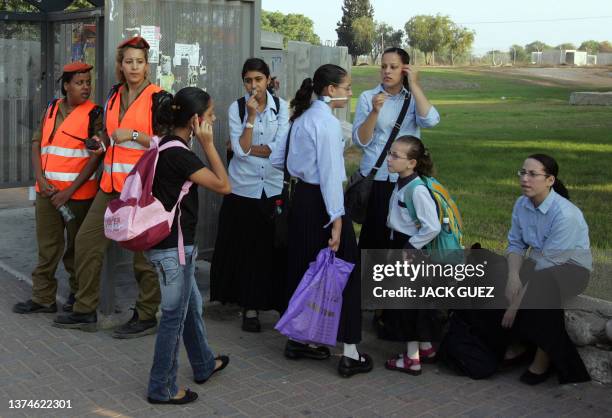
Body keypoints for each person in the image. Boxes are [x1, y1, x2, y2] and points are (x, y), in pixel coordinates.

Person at [54, 37, 163, 338]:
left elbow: (167, 145)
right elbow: (109, 133)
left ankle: (146, 314)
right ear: (120, 65)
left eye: (139, 62)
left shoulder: (159, 98)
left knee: (143, 257)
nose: (134, 67)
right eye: (128, 62)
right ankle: (85, 310)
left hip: (142, 190)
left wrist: (137, 135)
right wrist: (100, 141)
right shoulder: (115, 95)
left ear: (146, 64)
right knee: (87, 243)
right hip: (110, 186)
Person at [270, 64, 372, 378]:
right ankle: (351, 352)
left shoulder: (299, 118)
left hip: (300, 201)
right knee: (346, 271)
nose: (350, 92)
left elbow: (277, 159)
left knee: (302, 268)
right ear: (330, 90)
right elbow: (330, 175)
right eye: (347, 87)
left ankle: (298, 340)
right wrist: (337, 219)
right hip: (323, 205)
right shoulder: (325, 124)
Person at [146, 87, 231, 405]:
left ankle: (204, 363)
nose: (213, 120)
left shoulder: (165, 144)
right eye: (210, 116)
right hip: (173, 251)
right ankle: (161, 387)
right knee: (173, 317)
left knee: (191, 307)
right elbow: (224, 185)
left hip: (172, 248)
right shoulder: (180, 155)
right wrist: (209, 145)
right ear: (196, 120)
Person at [13, 62, 102, 314]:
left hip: (77, 197)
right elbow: (36, 143)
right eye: (79, 82)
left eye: (88, 82)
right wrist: (40, 179)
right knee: (47, 247)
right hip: (47, 193)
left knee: (77, 249)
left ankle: (77, 295)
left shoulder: (95, 114)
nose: (85, 87)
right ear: (66, 85)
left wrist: (69, 191)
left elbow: (96, 157)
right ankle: (43, 299)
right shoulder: (51, 108)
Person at [210, 58, 289, 332]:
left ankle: (276, 302)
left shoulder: (283, 107)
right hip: (243, 189)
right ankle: (250, 306)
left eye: (258, 79)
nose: (253, 86)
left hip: (273, 187)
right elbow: (240, 150)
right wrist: (251, 119)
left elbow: (277, 151)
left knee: (273, 247)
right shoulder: (238, 108)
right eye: (248, 80)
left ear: (268, 80)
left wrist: (247, 148)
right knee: (247, 250)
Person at [502, 154, 592, 385]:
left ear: (550, 180)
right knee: (494, 272)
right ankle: (518, 342)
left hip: (571, 269)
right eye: (523, 172)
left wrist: (514, 305)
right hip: (540, 264)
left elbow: (547, 266)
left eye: (533, 174)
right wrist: (512, 277)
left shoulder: (565, 214)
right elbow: (515, 244)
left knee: (542, 288)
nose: (525, 179)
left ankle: (545, 358)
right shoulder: (521, 204)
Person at [352, 47, 440, 251]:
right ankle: (368, 281)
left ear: (405, 70)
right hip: (377, 177)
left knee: (400, 239)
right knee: (373, 240)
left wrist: (415, 85)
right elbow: (360, 141)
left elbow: (430, 120)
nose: (387, 71)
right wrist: (374, 112)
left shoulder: (412, 98)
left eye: (393, 67)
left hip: (405, 180)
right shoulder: (368, 97)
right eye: (383, 67)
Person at [380, 136, 442, 375]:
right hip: (406, 248)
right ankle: (425, 348)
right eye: (390, 153)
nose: (389, 158)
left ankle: (411, 358)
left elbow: (433, 226)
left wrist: (411, 246)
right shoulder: (403, 182)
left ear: (412, 163)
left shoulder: (417, 190)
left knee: (405, 305)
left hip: (410, 251)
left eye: (396, 156)